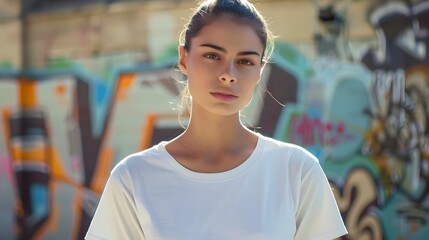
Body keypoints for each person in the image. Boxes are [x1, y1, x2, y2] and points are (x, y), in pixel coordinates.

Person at [85, 0, 348, 239]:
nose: (228, 74)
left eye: (245, 61)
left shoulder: (297, 170)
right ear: (184, 58)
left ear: (260, 71)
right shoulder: (133, 178)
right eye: (212, 55)